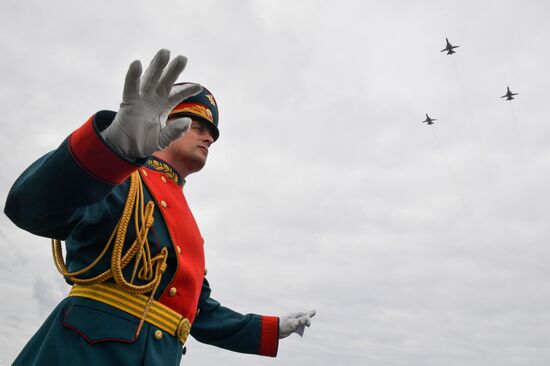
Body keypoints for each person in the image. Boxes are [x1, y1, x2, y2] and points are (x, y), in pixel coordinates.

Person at [4, 49, 315, 365]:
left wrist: (273, 329)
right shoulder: (120, 178)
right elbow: (30, 207)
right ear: (165, 123)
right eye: (198, 126)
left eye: (213, 134)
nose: (209, 137)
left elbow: (199, 313)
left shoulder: (187, 222)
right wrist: (112, 146)